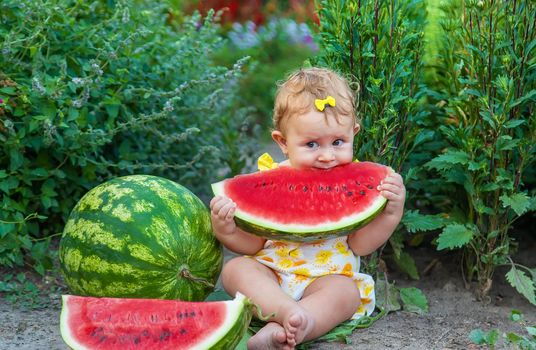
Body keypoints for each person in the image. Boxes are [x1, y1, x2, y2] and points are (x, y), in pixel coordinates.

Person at [210, 67, 406, 350]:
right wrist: (226, 229)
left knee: (346, 294)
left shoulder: (358, 186)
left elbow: (361, 246)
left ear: (354, 133)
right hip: (273, 274)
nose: (327, 156)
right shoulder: (271, 179)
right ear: (283, 142)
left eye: (338, 142)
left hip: (328, 278)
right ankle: (284, 311)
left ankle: (303, 324)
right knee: (235, 269)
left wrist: (391, 213)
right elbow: (253, 245)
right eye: (311, 144)